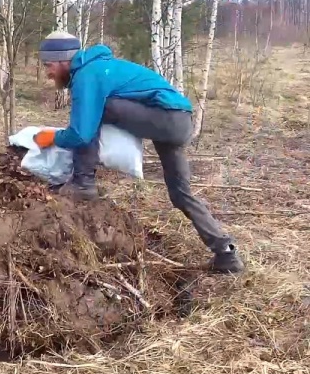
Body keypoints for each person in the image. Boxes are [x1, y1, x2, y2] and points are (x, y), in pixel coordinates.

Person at [33, 30, 244, 274]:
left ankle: (83, 183)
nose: (48, 73)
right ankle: (226, 254)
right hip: (178, 121)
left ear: (62, 60)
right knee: (180, 194)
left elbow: (81, 133)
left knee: (96, 111)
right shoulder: (102, 68)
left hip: (166, 119)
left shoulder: (88, 75)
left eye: (48, 65)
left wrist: (53, 137)